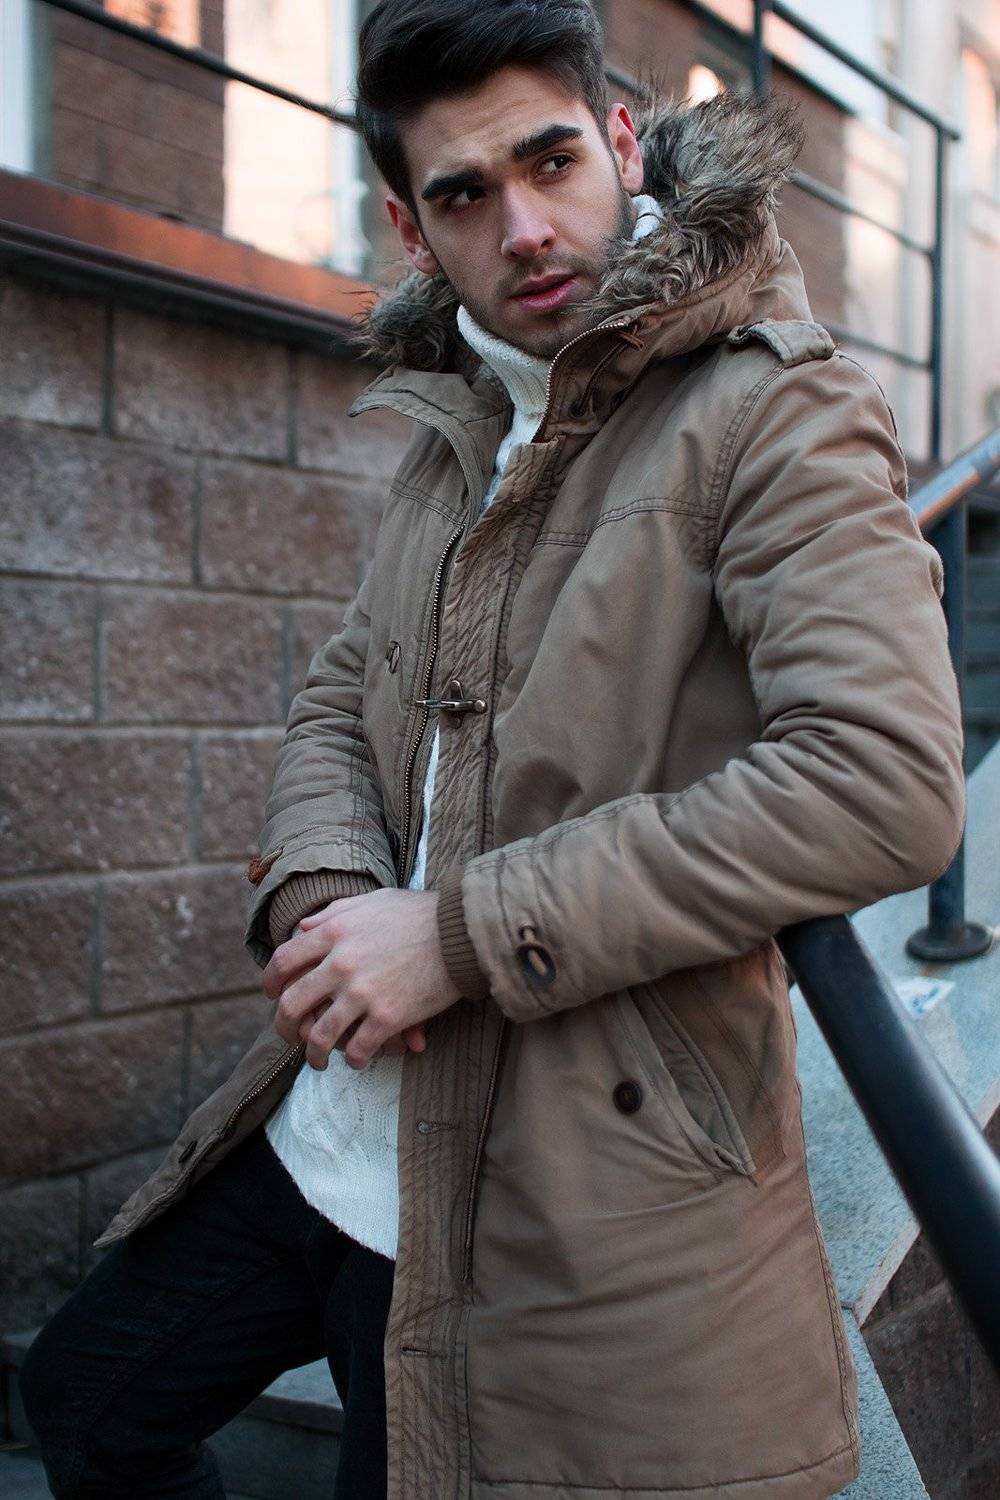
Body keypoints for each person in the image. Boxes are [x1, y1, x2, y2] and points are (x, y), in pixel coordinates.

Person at [21, 1, 966, 1497]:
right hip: (334, 1124)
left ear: (622, 141)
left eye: (551, 161)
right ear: (412, 227)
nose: (525, 230)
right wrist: (328, 886)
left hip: (558, 1171)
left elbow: (882, 782)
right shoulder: (463, 411)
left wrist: (456, 936)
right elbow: (347, 684)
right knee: (86, 1400)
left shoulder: (777, 408)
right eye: (465, 195)